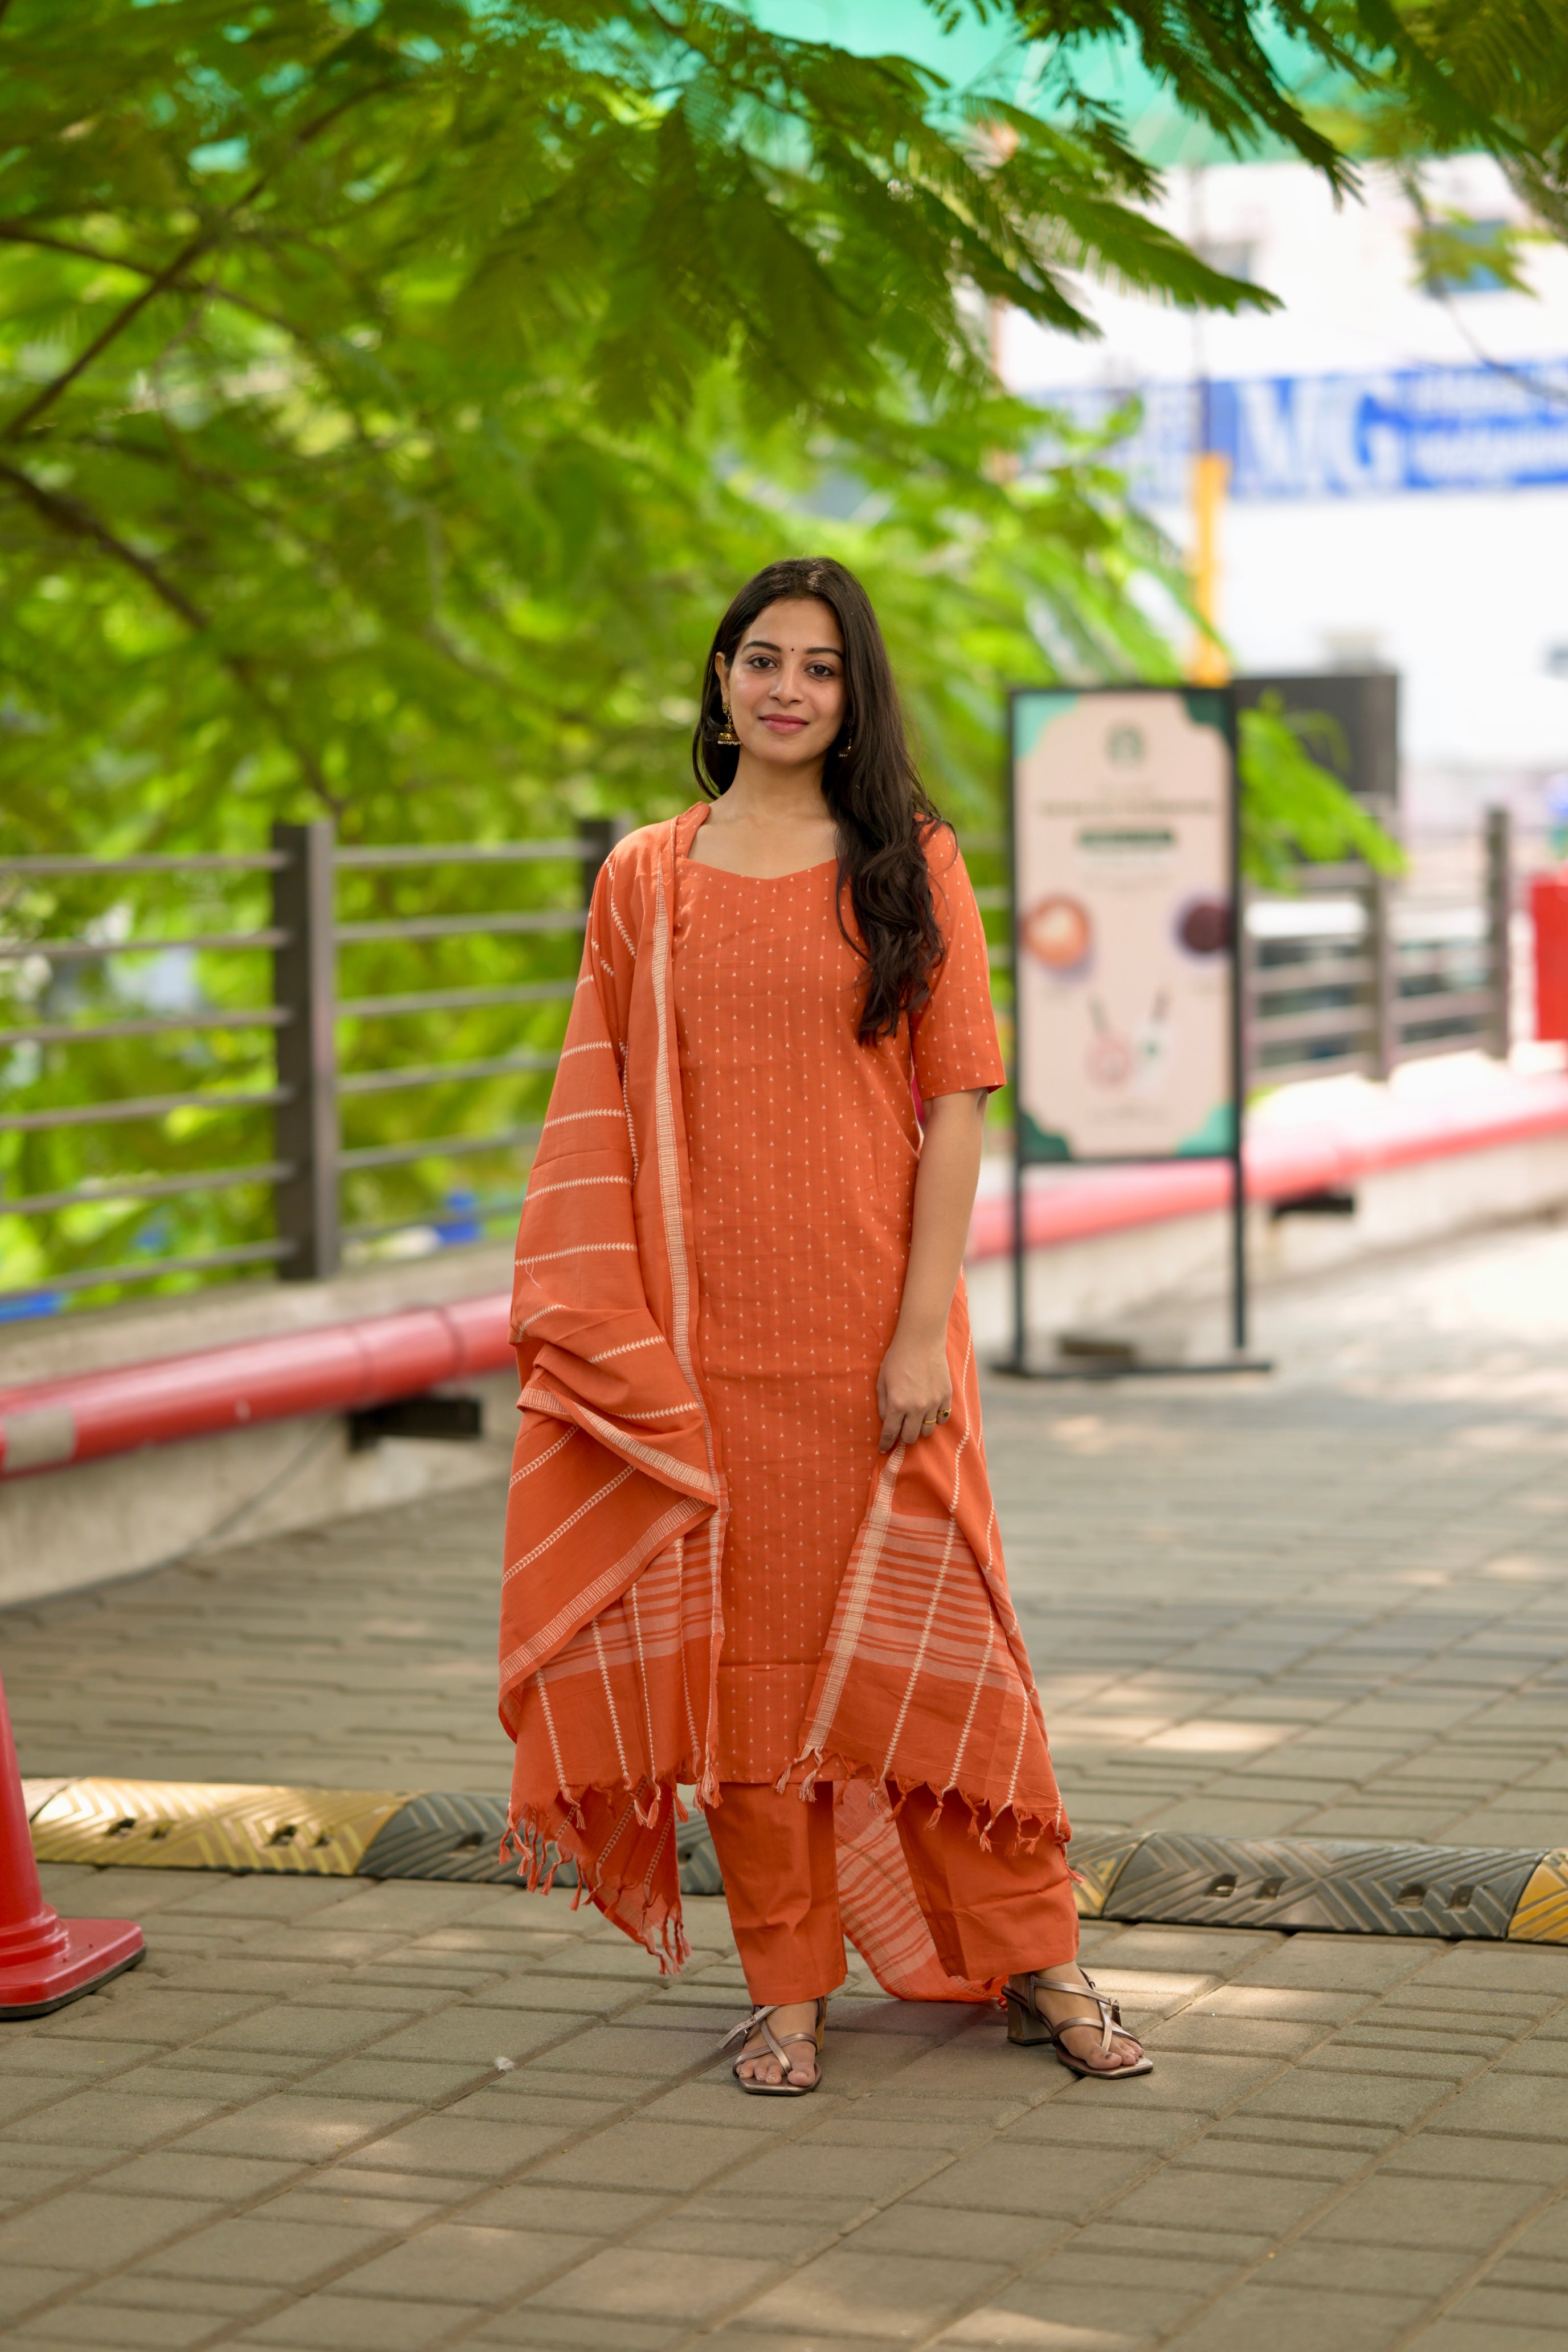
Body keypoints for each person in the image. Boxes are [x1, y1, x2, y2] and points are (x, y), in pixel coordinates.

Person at [499, 557, 1149, 2092]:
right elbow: (596, 1109)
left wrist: (922, 1332)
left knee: (942, 1659)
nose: (785, 686)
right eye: (758, 658)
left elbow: (956, 1105)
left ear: (855, 696)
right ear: (721, 683)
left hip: (878, 1334)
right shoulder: (645, 879)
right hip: (705, 1350)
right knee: (748, 1679)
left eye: (820, 666)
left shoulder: (908, 859)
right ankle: (786, 1983)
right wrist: (617, 1338)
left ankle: (1039, 1961)